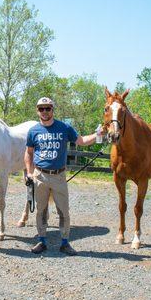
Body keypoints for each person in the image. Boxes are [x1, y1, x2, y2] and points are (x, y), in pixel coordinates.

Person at [24, 97, 100, 255]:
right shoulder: (33, 131)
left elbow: (82, 141)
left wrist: (98, 134)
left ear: (53, 109)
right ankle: (42, 240)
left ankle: (65, 242)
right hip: (40, 176)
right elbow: (28, 153)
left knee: (63, 210)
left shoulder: (64, 127)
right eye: (41, 109)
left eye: (48, 108)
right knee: (41, 210)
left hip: (59, 176)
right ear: (37, 111)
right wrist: (30, 173)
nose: (44, 111)